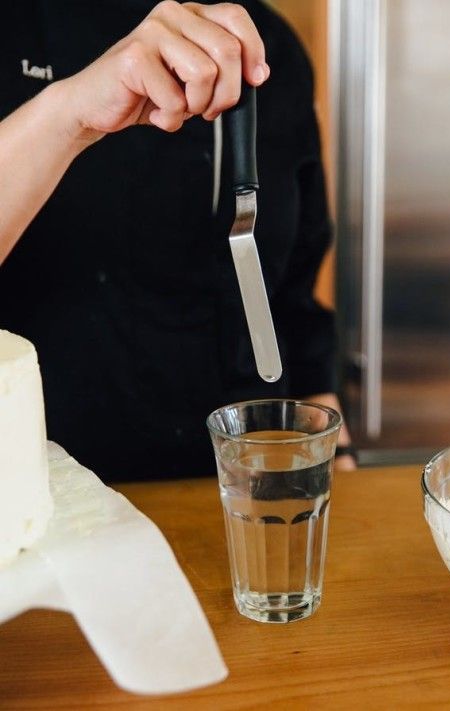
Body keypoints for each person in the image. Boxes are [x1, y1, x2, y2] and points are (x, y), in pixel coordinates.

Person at [0, 1, 355, 481]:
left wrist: (337, 459)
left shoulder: (271, 48)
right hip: (46, 505)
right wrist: (69, 114)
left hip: (246, 495)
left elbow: (292, 295)